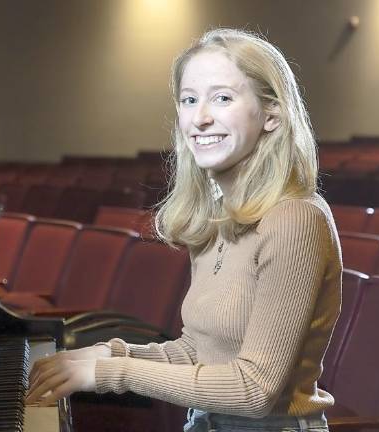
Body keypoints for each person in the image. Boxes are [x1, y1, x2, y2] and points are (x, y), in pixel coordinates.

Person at [26, 28, 341, 432]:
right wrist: (105, 352)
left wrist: (109, 373)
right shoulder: (220, 214)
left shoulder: (296, 219)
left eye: (222, 98)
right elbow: (198, 351)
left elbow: (254, 390)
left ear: (272, 113)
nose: (200, 117)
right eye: (189, 100)